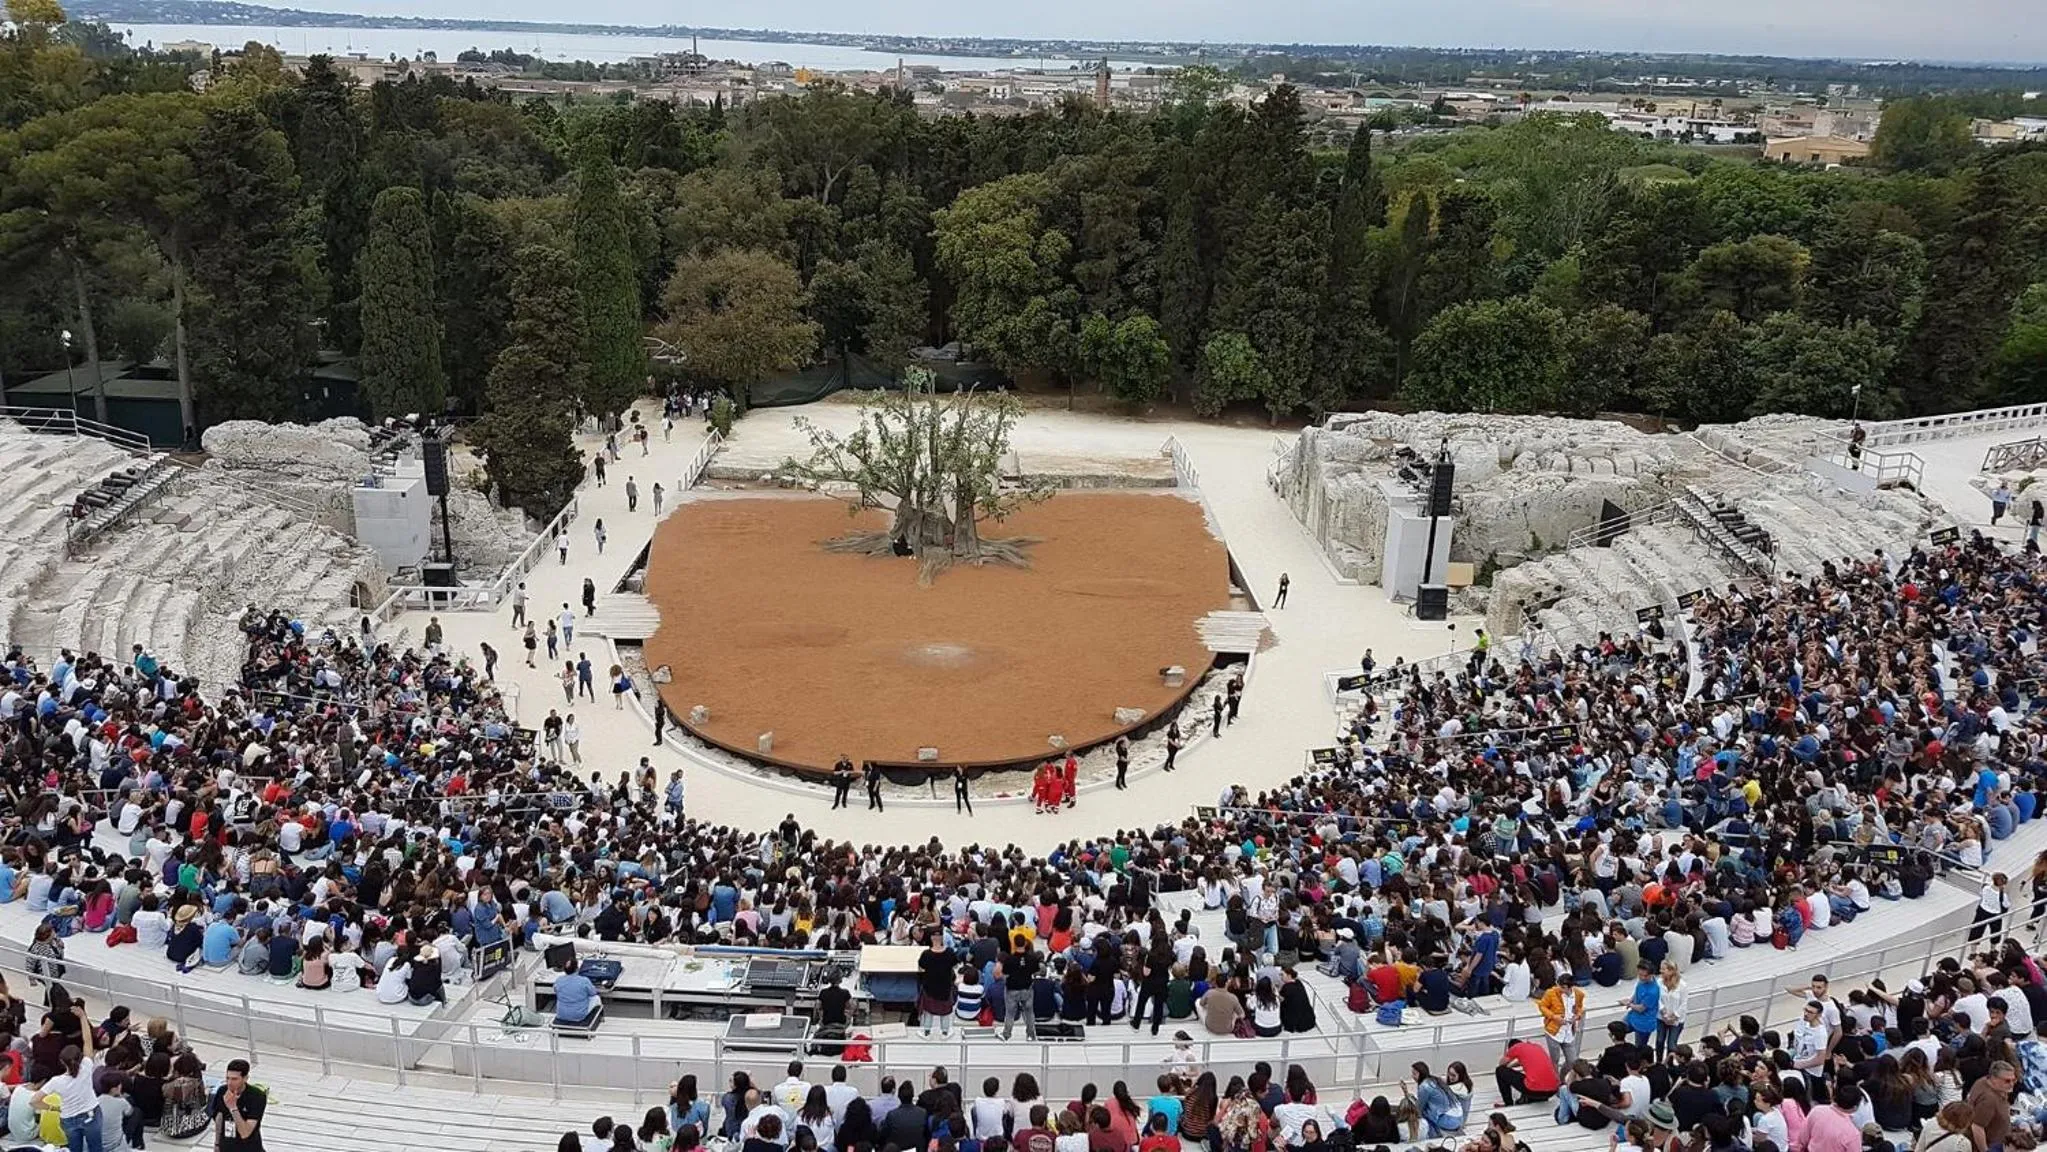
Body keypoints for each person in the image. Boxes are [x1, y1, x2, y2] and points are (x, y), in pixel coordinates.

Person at [207, 1059, 264, 1152]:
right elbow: (219, 1117)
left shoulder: (257, 1096)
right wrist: (217, 1143)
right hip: (227, 1146)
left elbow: (245, 1133)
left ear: (245, 1078)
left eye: (234, 1079)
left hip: (248, 1148)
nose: (229, 1082)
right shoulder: (222, 1091)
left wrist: (233, 1108)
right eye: (227, 1078)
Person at [1494, 1037, 1558, 1106]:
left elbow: (1502, 1064)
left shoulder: (1515, 1048)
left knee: (1500, 1070)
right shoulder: (1537, 1046)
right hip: (1552, 1090)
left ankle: (1508, 1103)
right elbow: (1527, 1061)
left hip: (1535, 1090)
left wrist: (1509, 1062)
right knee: (1531, 1077)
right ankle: (1536, 1098)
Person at [917, 932, 958, 1038]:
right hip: (945, 987)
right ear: (942, 938)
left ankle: (927, 1032)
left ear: (931, 938)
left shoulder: (926, 954)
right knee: (945, 1013)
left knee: (928, 1011)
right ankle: (945, 1033)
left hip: (929, 987)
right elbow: (955, 965)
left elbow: (921, 968)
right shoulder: (949, 952)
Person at [554, 957, 602, 1028]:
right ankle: (601, 1018)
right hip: (579, 1016)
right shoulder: (584, 980)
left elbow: (555, 990)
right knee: (596, 998)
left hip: (561, 1014)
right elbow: (593, 993)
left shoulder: (558, 980)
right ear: (577, 969)